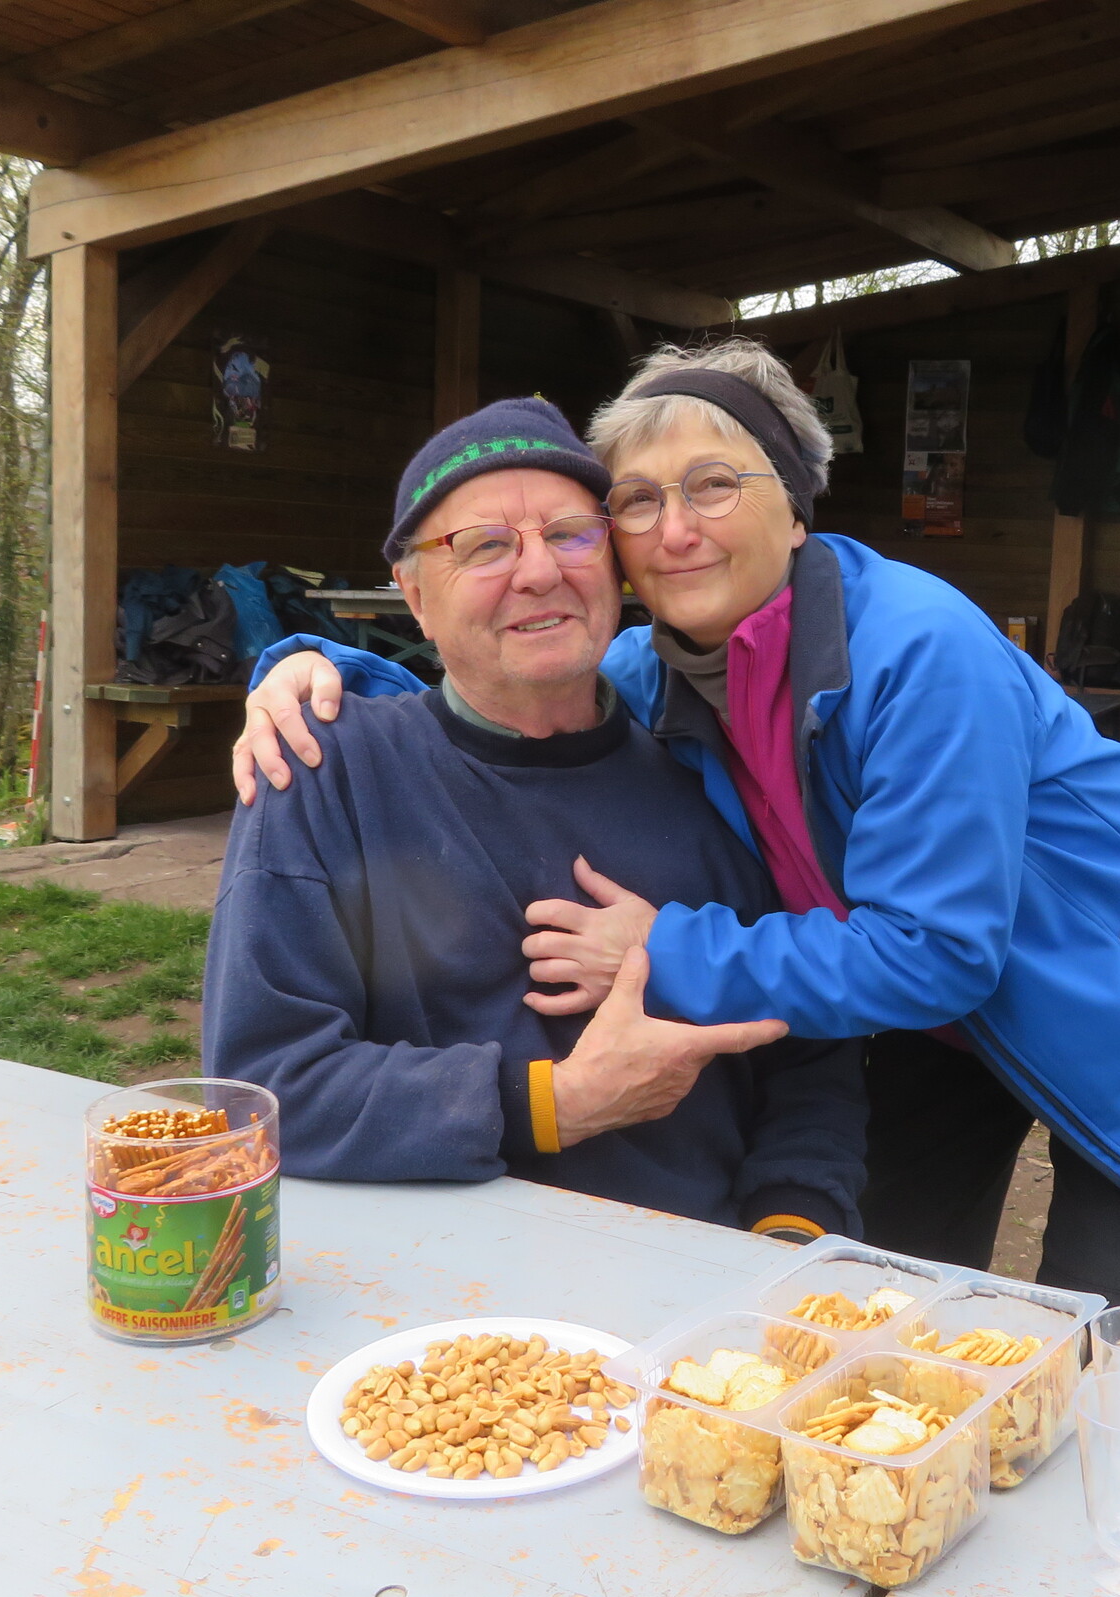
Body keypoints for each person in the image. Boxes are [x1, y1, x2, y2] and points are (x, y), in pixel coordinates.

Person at [233, 341, 1120, 1306]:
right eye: (639, 501)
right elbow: (499, 685)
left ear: (797, 510)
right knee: (893, 1287)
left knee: (1108, 1336)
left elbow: (939, 954)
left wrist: (662, 948)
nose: (676, 529)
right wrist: (313, 676)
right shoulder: (661, 669)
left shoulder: (922, 652)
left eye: (715, 485)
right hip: (928, 1014)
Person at [202, 397, 867, 1242]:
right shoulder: (322, 769)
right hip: (429, 1283)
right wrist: (552, 1104)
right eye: (484, 546)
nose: (539, 572)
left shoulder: (709, 763)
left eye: (570, 534)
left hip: (698, 1268)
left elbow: (808, 1053)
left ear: (616, 563)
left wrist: (789, 1229)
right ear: (414, 595)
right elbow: (263, 1088)